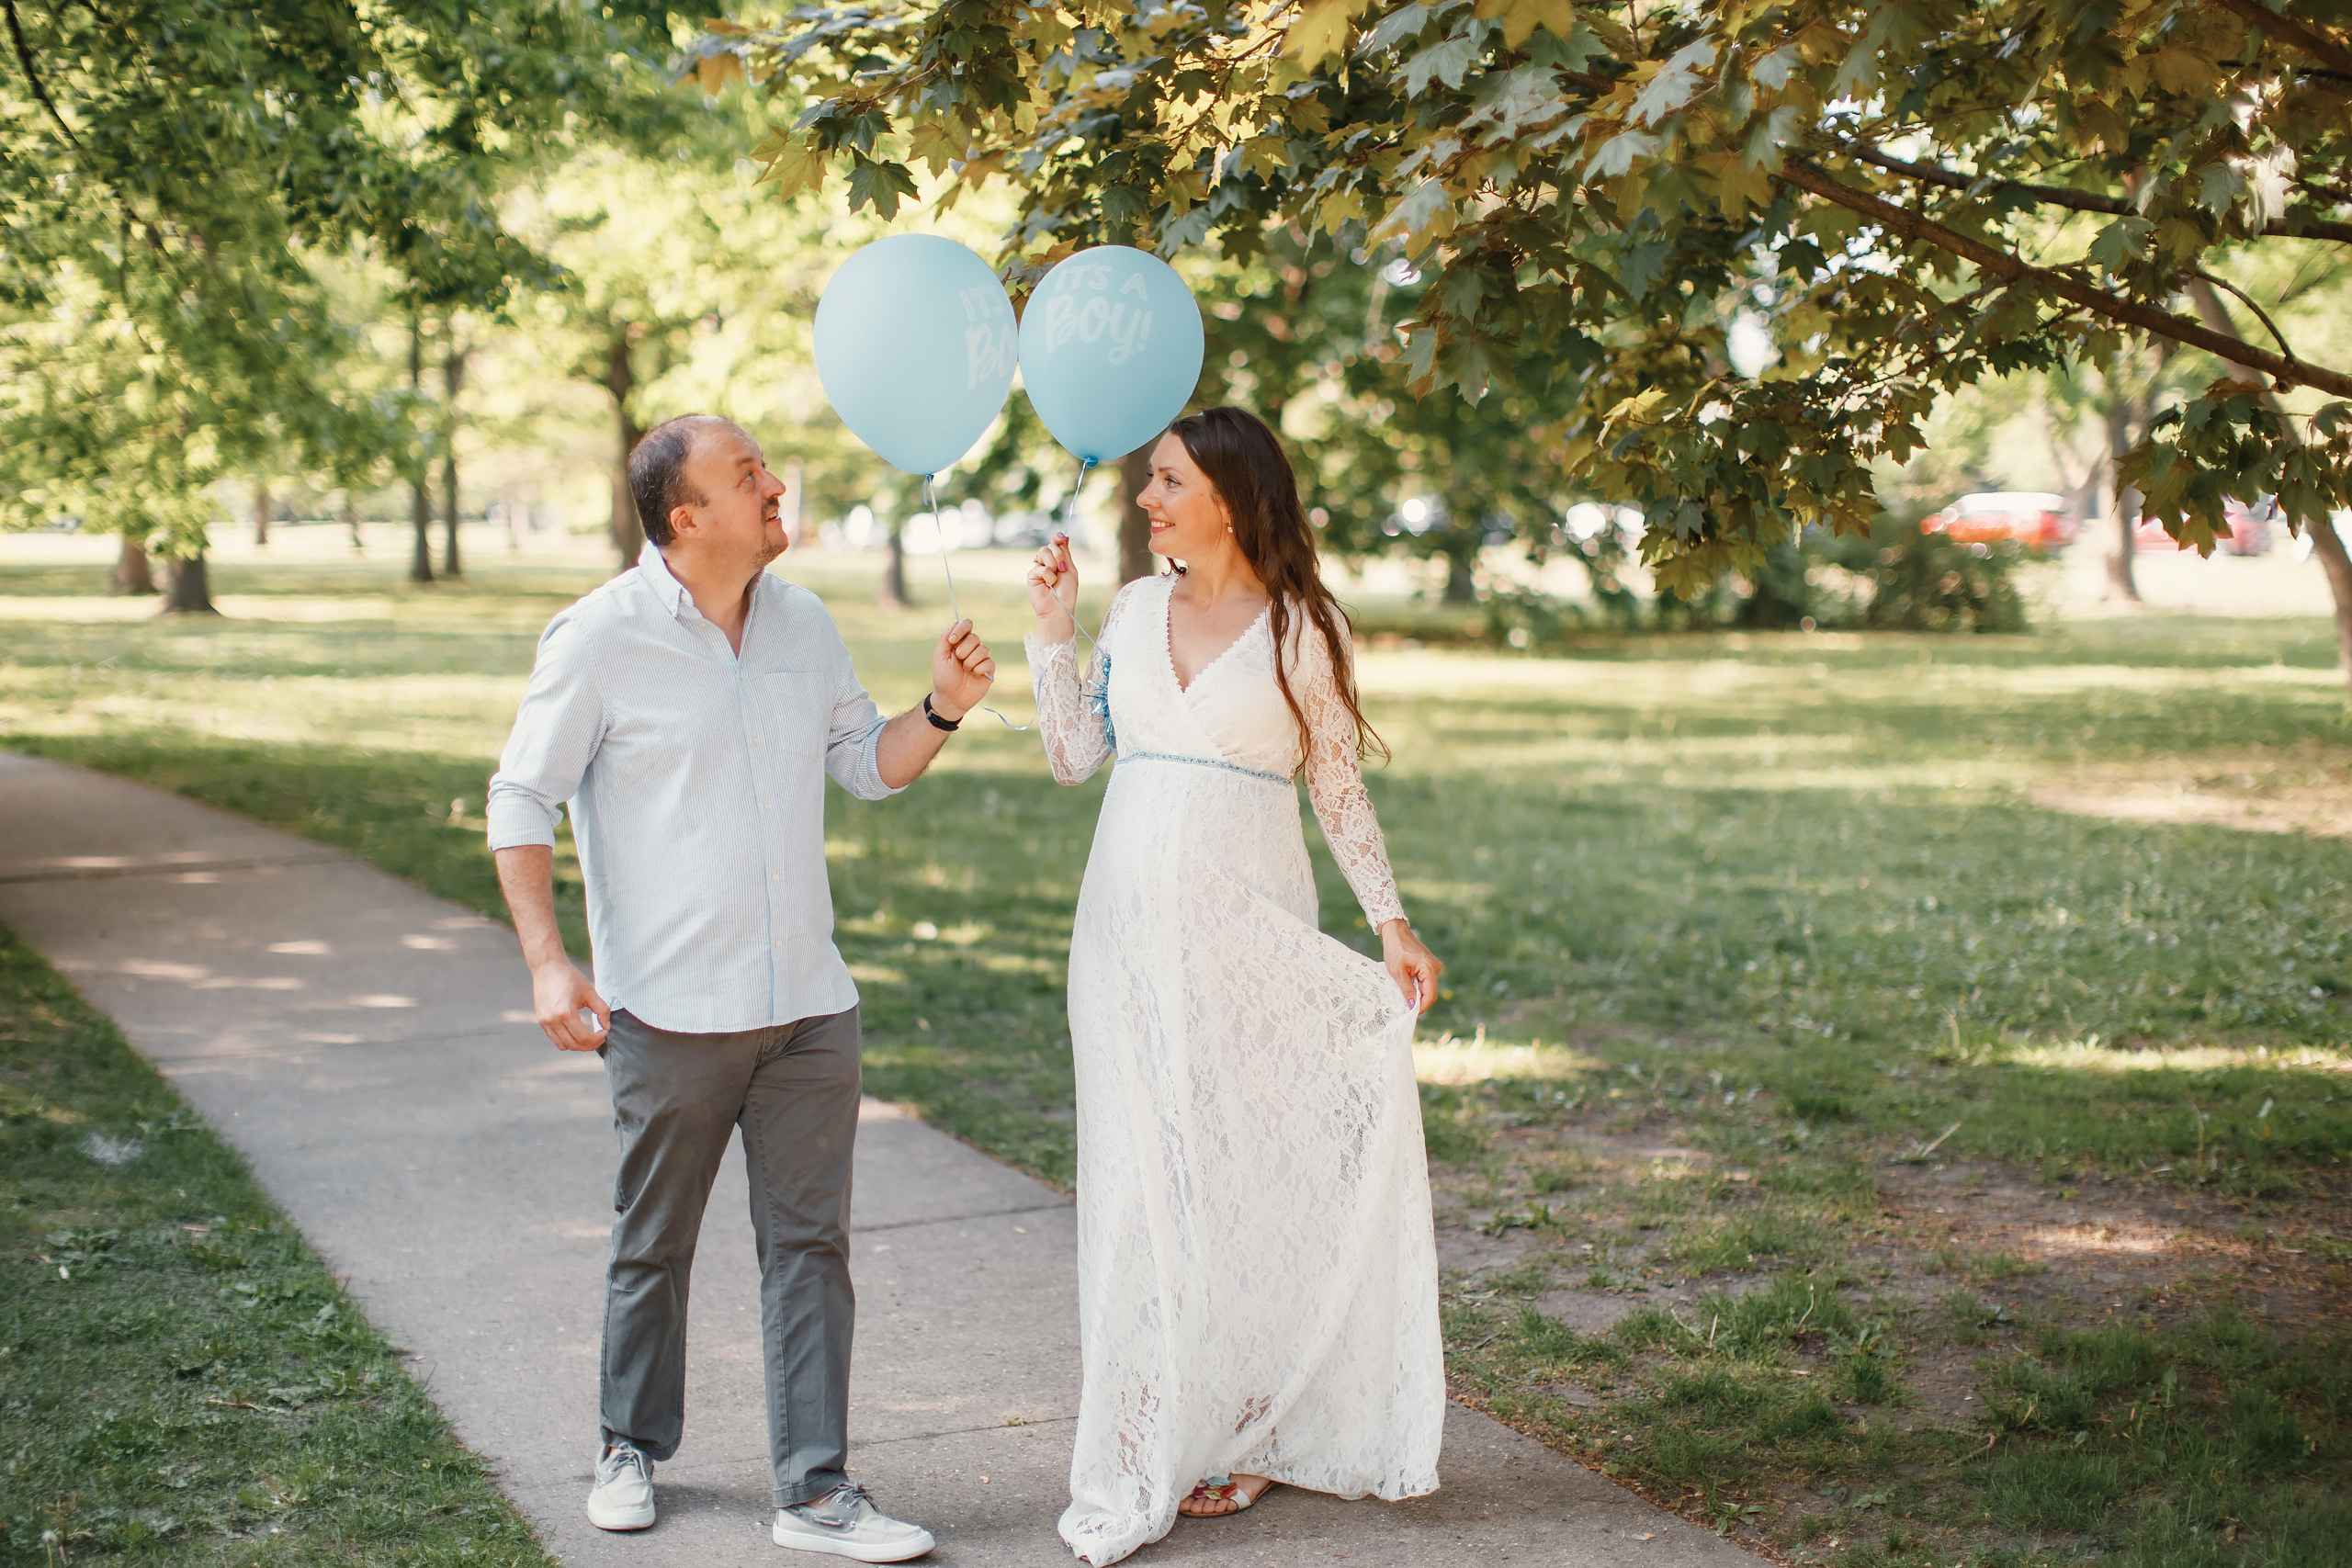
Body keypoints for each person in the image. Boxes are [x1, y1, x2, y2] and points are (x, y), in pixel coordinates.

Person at [486, 414, 991, 1563]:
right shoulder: (598, 638)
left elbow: (866, 763)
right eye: (746, 473)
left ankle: (815, 1493)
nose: (772, 484)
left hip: (809, 1006)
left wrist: (945, 707)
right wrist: (546, 961)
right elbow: (520, 799)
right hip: (670, 1012)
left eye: (765, 465)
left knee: (810, 1249)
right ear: (686, 518)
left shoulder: (804, 624)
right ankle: (627, 1445)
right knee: (653, 1241)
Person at [1023, 406, 1447, 1565]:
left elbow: (1340, 791)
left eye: (1165, 481)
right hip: (1120, 932)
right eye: (1148, 481)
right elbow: (1072, 756)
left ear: (1226, 491)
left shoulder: (1299, 626)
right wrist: (1051, 632)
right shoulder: (1132, 607)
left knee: (1244, 1166)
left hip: (1248, 925)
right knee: (1137, 1166)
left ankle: (1256, 1418)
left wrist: (1390, 925)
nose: (1144, 498)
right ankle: (1161, 1410)